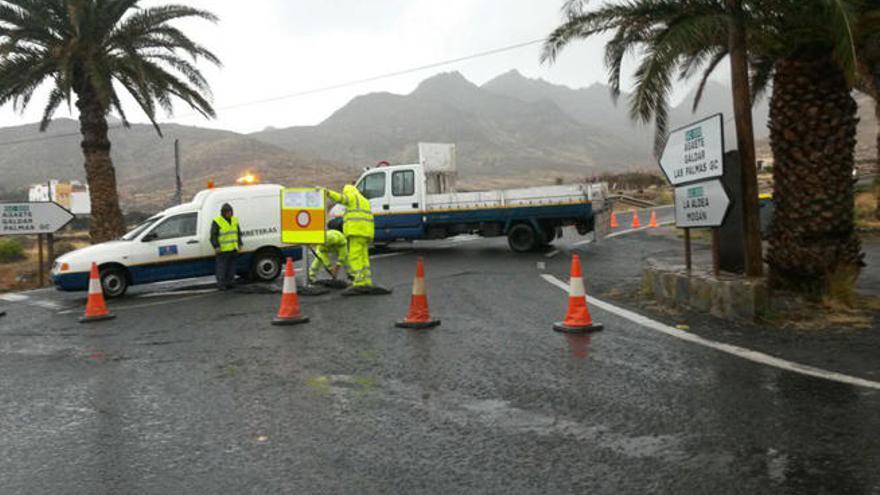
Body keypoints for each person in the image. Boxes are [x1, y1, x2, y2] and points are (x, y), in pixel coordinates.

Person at [323, 184, 389, 296]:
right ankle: (366, 281)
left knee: (354, 257)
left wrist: (328, 192)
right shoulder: (364, 200)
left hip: (356, 232)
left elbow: (341, 199)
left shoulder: (352, 197)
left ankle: (358, 282)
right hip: (366, 233)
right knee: (364, 258)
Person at [210, 203, 242, 290]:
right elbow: (213, 235)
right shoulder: (217, 221)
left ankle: (231, 283)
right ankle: (221, 285)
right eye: (228, 212)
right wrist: (216, 246)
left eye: (231, 212)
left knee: (232, 268)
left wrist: (240, 244)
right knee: (222, 269)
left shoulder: (234, 220)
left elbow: (238, 233)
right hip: (222, 250)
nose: (230, 214)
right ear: (223, 213)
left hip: (233, 248)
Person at [308, 218, 350, 284]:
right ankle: (311, 276)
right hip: (329, 247)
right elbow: (324, 257)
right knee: (318, 259)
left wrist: (337, 267)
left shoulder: (340, 239)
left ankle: (351, 274)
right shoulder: (321, 243)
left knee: (346, 259)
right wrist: (330, 268)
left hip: (338, 246)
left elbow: (343, 255)